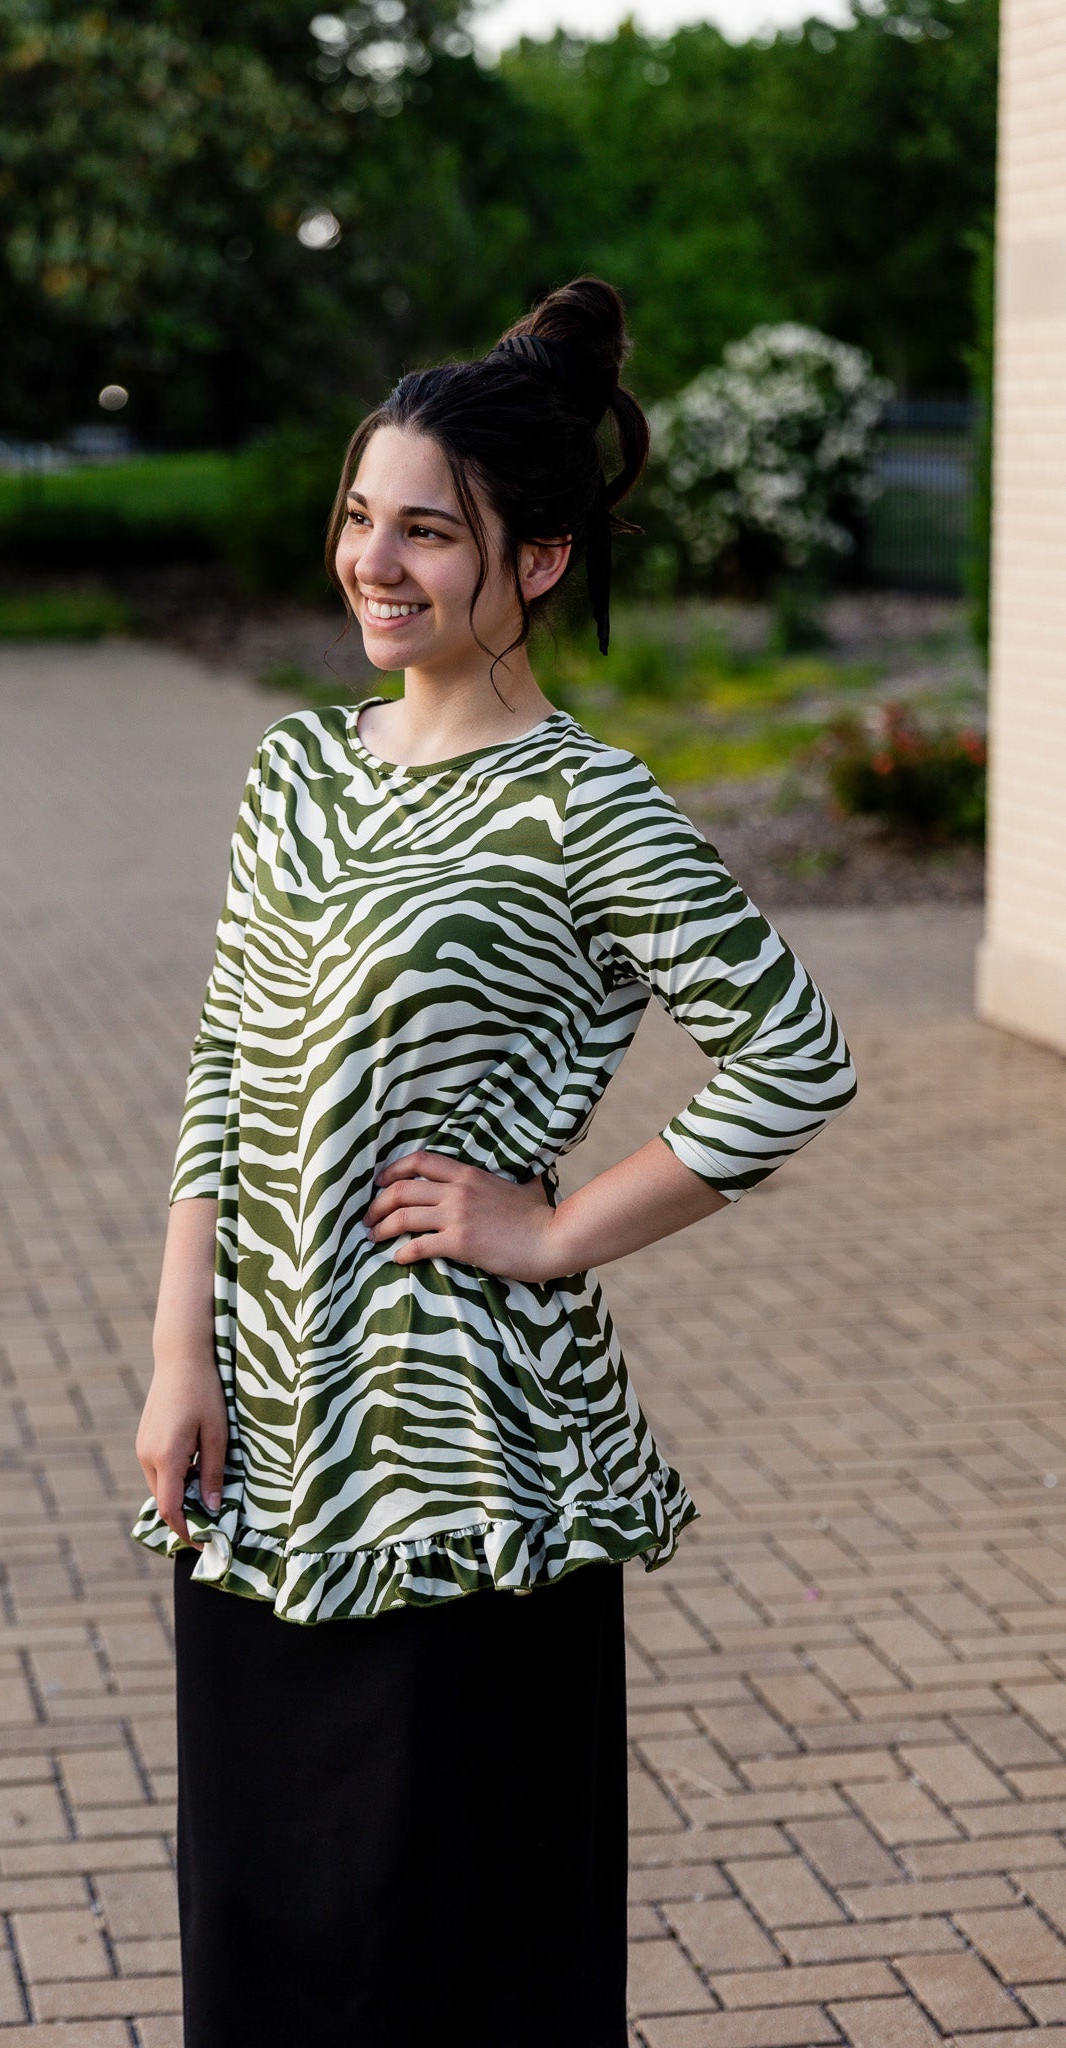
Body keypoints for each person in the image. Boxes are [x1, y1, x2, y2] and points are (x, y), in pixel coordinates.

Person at [133, 276, 857, 2048]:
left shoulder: (585, 807)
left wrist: (554, 1234)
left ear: (533, 562)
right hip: (269, 1457)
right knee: (268, 1934)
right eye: (358, 520)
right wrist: (176, 1352)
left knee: (454, 1956)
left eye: (427, 534)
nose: (376, 564)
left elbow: (795, 1057)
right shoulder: (297, 770)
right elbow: (227, 1064)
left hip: (472, 1467)